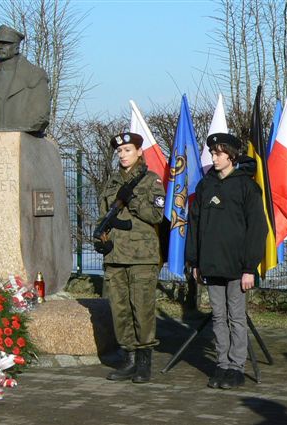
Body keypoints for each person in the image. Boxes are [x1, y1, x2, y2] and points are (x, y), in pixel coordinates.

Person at [185, 132, 268, 390]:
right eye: (212, 153)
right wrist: (195, 261)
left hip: (236, 266)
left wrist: (249, 268)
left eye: (219, 153)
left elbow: (257, 229)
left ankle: (236, 367)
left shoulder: (246, 186)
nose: (214, 157)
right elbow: (195, 225)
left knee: (236, 317)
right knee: (218, 317)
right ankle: (222, 364)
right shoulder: (205, 186)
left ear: (231, 156)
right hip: (211, 263)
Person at [95, 132, 166, 383]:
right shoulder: (112, 182)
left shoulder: (151, 181)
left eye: (127, 150)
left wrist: (132, 199)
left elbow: (156, 216)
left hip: (141, 256)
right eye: (120, 151)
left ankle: (144, 361)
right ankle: (129, 358)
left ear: (138, 152)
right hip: (115, 255)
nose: (123, 155)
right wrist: (99, 238)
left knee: (143, 308)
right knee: (119, 309)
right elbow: (103, 215)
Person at [0, 24, 51, 135]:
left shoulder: (35, 76)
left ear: (17, 47)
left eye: (6, 43)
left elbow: (39, 115)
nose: (0, 47)